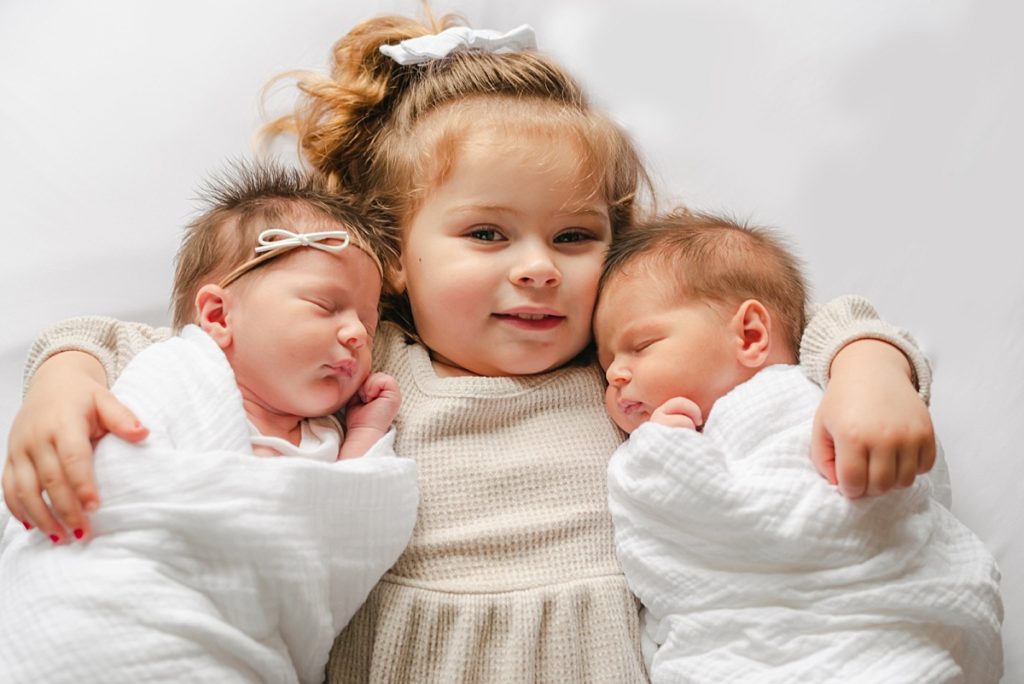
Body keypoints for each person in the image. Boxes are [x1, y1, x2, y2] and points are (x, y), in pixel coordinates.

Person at [3, 12, 938, 683]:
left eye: (574, 239)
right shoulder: (362, 360)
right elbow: (142, 341)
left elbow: (777, 326)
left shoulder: (624, 376)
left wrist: (870, 366)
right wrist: (63, 378)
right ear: (395, 259)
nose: (538, 270)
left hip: (599, 653)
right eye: (487, 235)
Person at [0, 161, 419, 683]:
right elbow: (83, 348)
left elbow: (348, 516)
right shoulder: (170, 369)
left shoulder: (327, 434)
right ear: (219, 317)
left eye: (367, 319)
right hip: (95, 605)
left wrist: (365, 431)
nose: (357, 334)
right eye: (325, 305)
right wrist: (57, 384)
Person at [596, 210, 1002, 683]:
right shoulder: (679, 435)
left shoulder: (813, 389)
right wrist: (660, 446)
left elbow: (908, 480)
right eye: (605, 367)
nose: (616, 375)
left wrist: (660, 454)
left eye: (641, 345)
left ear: (750, 335)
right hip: (737, 646)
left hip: (875, 626)